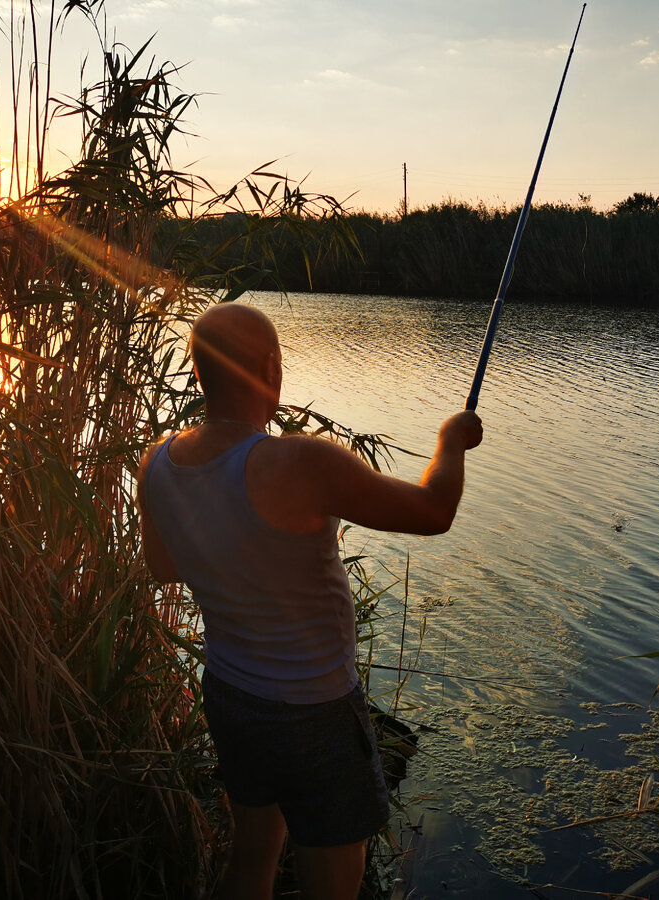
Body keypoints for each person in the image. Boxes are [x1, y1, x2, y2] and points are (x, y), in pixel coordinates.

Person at [136, 301, 483, 900]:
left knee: (250, 864)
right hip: (316, 711)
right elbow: (434, 512)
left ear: (198, 375)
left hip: (230, 696)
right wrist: (449, 440)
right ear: (272, 369)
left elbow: (161, 567)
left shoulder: (157, 462)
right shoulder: (298, 461)